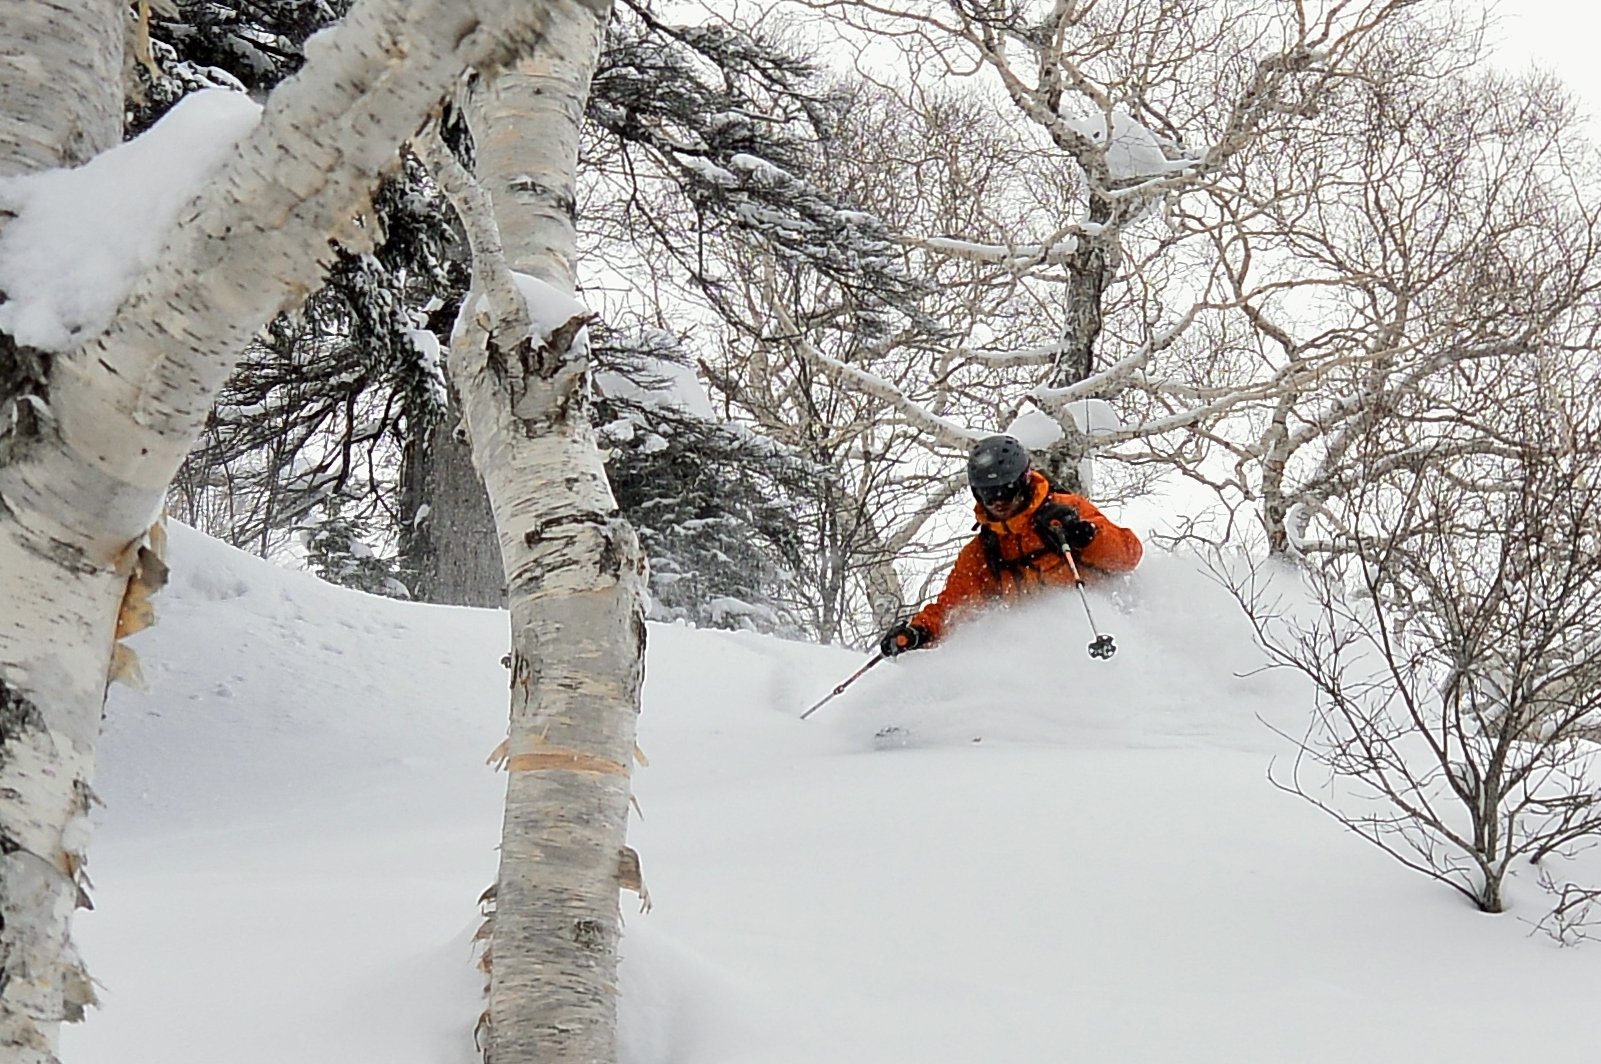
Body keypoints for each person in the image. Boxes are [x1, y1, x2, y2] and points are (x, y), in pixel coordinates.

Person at [879, 435, 1143, 657]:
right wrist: (918, 631)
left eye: (1006, 490)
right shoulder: (984, 551)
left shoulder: (1064, 512)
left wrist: (1089, 536)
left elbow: (1129, 555)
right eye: (988, 493)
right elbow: (953, 608)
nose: (998, 501)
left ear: (1023, 481)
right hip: (1040, 653)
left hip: (1104, 631)